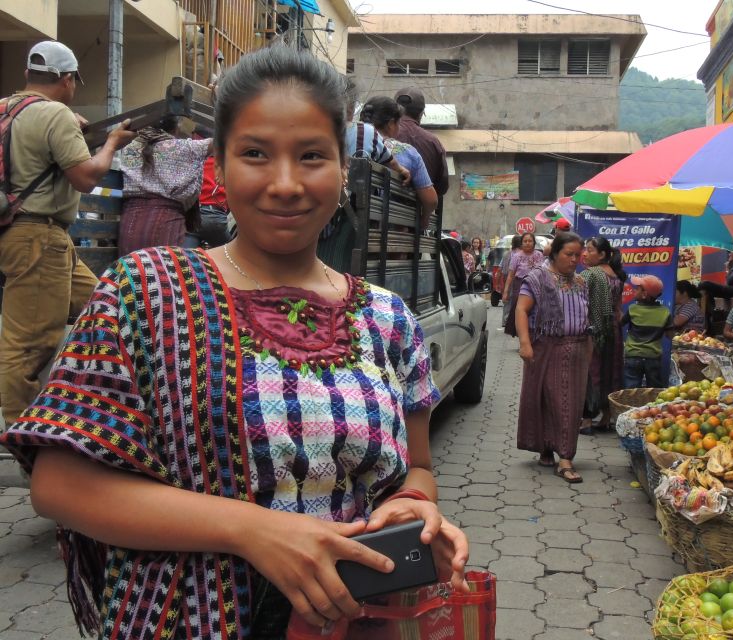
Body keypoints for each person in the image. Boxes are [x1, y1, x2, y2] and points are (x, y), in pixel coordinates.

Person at [0, 46, 468, 639]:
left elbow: (417, 469)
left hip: (355, 620)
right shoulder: (144, 290)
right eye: (255, 154)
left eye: (312, 156)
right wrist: (253, 530)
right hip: (187, 618)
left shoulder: (386, 317)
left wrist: (414, 505)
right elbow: (61, 485)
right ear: (217, 167)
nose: (285, 183)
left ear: (342, 168)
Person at [0, 40, 136, 426]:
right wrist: (111, 144)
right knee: (28, 346)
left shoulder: (7, 109)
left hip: (22, 234)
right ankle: (21, 437)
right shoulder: (55, 115)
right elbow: (86, 179)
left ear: (28, 75)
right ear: (67, 79)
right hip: (38, 238)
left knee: (106, 306)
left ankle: (89, 403)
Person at [515, 231, 591, 483]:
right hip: (546, 346)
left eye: (578, 255)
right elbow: (521, 310)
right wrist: (525, 344)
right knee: (549, 398)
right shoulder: (537, 278)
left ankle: (560, 453)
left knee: (568, 402)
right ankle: (559, 455)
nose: (574, 260)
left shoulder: (581, 282)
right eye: (569, 254)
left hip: (577, 348)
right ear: (555, 253)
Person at [118, 114, 213, 255]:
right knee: (164, 272)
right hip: (166, 223)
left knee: (134, 272)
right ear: (177, 127)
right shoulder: (186, 147)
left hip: (130, 225)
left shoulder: (130, 148)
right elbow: (226, 140)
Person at [360, 96, 437, 229]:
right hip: (390, 233)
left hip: (348, 226)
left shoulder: (348, 143)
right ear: (390, 124)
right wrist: (425, 217)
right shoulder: (408, 152)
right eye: (398, 123)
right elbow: (431, 200)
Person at [579, 236, 627, 433]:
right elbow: (618, 309)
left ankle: (587, 420)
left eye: (590, 250)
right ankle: (607, 416)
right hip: (613, 330)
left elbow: (580, 305)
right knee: (611, 372)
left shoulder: (590, 275)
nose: (585, 253)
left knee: (591, 373)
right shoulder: (616, 276)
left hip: (593, 331)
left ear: (602, 254)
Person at [343, 78, 410, 184]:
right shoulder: (366, 131)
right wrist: (401, 169)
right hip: (357, 196)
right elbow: (391, 162)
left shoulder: (316, 131)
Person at [394, 87, 449, 197]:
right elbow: (442, 186)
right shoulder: (433, 142)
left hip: (377, 207)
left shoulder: (379, 134)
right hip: (420, 209)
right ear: (421, 113)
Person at [622, 275, 673, 389]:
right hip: (653, 357)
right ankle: (652, 407)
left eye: (638, 288)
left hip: (633, 355)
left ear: (644, 294)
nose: (634, 289)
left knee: (631, 390)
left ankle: (632, 406)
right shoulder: (665, 312)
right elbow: (670, 335)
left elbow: (620, 322)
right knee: (654, 390)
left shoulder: (632, 309)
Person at [184, 155, 234, 248]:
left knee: (185, 258)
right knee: (230, 256)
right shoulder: (226, 164)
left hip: (192, 218)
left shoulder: (196, 162)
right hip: (214, 217)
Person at [503, 232, 545, 337]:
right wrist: (506, 292)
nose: (527, 243)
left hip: (536, 284)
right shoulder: (517, 256)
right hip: (520, 284)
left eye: (530, 241)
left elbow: (544, 272)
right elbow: (510, 275)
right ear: (521, 243)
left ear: (534, 243)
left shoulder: (539, 255)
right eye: (525, 241)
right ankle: (521, 334)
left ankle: (534, 333)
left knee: (536, 309)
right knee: (519, 308)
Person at [698, 247, 733, 318]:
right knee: (708, 291)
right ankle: (710, 315)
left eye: (731, 252)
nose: (729, 254)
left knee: (704, 284)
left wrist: (728, 269)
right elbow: (727, 283)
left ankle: (708, 314)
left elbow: (729, 281)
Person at [500, 234, 522, 327]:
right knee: (518, 300)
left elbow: (501, 268)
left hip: (506, 278)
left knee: (507, 299)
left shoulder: (506, 254)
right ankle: (515, 321)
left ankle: (505, 320)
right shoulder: (520, 254)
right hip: (516, 278)